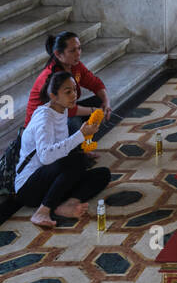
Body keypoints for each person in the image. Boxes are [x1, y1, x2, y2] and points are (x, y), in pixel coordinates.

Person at [15, 70, 111, 228]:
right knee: (76, 161)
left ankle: (66, 205)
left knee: (102, 175)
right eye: (68, 92)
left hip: (51, 180)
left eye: (74, 90)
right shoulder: (44, 118)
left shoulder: (62, 109)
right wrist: (80, 135)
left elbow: (63, 149)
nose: (74, 95)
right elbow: (45, 156)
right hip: (29, 187)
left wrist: (84, 142)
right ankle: (42, 211)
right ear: (53, 96)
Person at [25, 32, 109, 127]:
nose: (78, 53)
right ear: (58, 54)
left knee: (100, 101)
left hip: (63, 111)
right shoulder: (52, 76)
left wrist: (106, 103)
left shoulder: (75, 65)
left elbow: (95, 84)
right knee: (74, 122)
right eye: (72, 50)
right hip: (42, 123)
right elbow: (65, 109)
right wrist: (94, 110)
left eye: (79, 48)